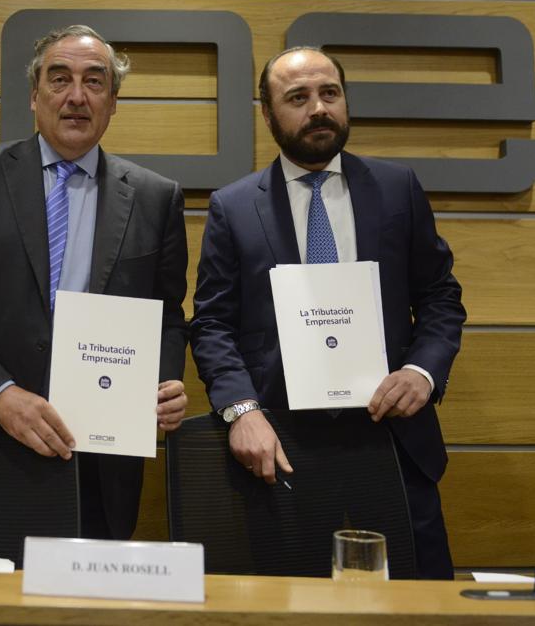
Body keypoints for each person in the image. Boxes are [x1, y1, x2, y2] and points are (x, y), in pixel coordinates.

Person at [0, 25, 188, 540]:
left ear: (113, 102)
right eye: (59, 79)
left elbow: (167, 315)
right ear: (35, 96)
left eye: (94, 82)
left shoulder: (156, 197)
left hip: (100, 462)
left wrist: (164, 384)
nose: (76, 96)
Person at [189, 46, 466, 579]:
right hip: (282, 446)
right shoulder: (234, 206)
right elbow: (212, 323)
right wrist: (240, 411)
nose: (318, 108)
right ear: (268, 114)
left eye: (329, 93)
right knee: (293, 605)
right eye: (298, 98)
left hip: (392, 438)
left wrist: (422, 371)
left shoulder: (397, 189)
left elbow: (440, 296)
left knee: (416, 604)